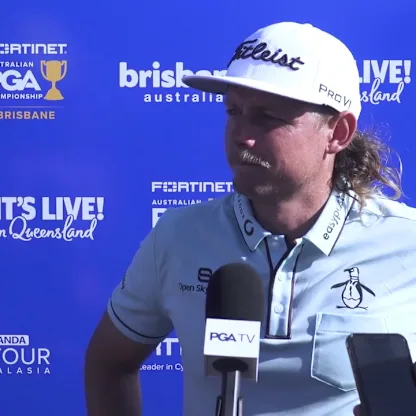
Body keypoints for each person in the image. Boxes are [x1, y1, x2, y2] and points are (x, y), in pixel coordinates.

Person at [84, 21, 416, 416]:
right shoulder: (179, 235)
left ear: (338, 133)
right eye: (234, 111)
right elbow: (109, 362)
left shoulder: (406, 242)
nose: (241, 135)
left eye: (267, 117)